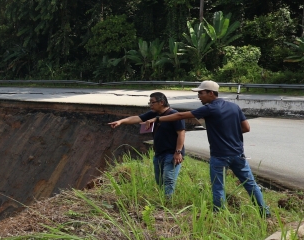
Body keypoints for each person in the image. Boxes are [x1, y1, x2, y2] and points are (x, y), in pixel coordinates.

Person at [153, 80, 270, 216]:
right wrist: (229, 132)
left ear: (211, 93)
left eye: (201, 93)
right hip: (238, 154)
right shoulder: (234, 107)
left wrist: (158, 119)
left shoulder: (210, 108)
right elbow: (246, 128)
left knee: (218, 186)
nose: (199, 96)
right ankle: (265, 212)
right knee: (250, 184)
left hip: (219, 156)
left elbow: (180, 115)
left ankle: (219, 214)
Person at [108, 92, 186, 198]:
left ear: (161, 102)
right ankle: (163, 199)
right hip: (159, 153)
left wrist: (178, 152)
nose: (150, 105)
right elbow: (137, 118)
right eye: (149, 102)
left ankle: (168, 201)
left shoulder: (174, 115)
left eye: (152, 102)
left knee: (168, 179)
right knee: (159, 180)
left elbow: (181, 133)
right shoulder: (154, 114)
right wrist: (121, 121)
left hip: (172, 153)